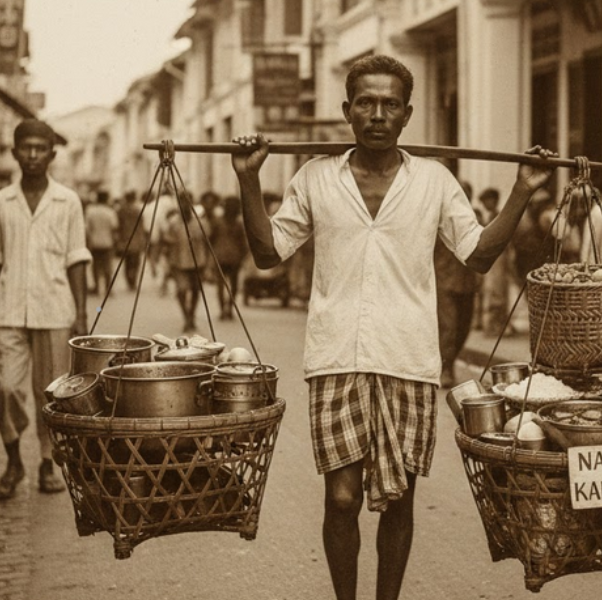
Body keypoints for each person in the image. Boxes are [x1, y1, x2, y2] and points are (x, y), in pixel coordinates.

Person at [231, 54, 555, 600]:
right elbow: (268, 253)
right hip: (336, 355)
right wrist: (248, 179)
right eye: (365, 103)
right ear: (347, 111)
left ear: (407, 114)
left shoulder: (434, 180)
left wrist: (522, 189)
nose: (377, 114)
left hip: (408, 356)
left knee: (399, 497)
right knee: (341, 498)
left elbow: (476, 255)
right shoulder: (315, 177)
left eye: (389, 104)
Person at [0, 118, 91, 500]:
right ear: (14, 153)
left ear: (52, 155)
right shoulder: (0, 202)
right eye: (25, 148)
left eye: (40, 149)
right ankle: (13, 460)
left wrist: (81, 314)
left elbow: (78, 258)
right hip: (8, 309)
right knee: (7, 390)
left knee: (52, 394)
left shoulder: (68, 201)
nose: (32, 155)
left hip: (55, 310)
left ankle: (47, 462)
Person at [435, 180, 480, 388]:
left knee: (464, 327)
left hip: (467, 282)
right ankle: (446, 368)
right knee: (448, 328)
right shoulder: (437, 217)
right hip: (443, 280)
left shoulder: (474, 219)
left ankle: (449, 362)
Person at [164, 192, 210, 332]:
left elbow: (207, 243)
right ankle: (186, 317)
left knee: (196, 290)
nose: (184, 205)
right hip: (178, 263)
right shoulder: (173, 222)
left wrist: (208, 263)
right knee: (182, 291)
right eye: (182, 202)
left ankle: (191, 315)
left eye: (187, 202)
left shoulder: (200, 222)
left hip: (198, 262)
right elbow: (167, 241)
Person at [478, 187, 513, 337]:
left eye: (487, 201)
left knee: (497, 290)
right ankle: (493, 324)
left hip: (499, 257)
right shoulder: (490, 217)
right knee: (492, 290)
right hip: (493, 258)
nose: (486, 204)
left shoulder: (497, 217)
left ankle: (497, 325)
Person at [209, 194, 249, 320]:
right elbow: (243, 243)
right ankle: (228, 309)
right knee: (232, 285)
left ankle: (224, 309)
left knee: (223, 286)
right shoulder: (236, 223)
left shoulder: (221, 222)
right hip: (231, 257)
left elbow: (210, 239)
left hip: (223, 257)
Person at [85, 190, 118, 296]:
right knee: (107, 266)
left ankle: (96, 287)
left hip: (94, 242)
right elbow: (114, 227)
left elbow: (87, 228)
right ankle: (108, 288)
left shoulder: (90, 211)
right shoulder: (110, 212)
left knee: (95, 266)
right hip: (107, 242)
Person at [116, 190, 147, 290]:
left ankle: (129, 281)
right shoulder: (138, 210)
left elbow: (118, 226)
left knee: (127, 262)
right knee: (136, 262)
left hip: (125, 239)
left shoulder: (121, 210)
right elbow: (142, 226)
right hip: (136, 239)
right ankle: (133, 281)